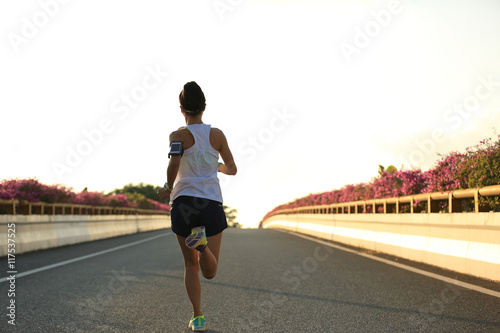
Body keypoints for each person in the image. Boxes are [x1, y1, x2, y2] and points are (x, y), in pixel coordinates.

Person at [157, 81, 237, 332]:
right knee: (210, 271)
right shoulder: (218, 135)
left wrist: (168, 187)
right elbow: (232, 169)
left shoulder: (177, 136)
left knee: (189, 265)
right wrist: (216, 167)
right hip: (210, 202)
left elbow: (174, 164)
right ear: (204, 107)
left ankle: (198, 316)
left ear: (181, 109)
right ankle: (202, 247)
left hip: (183, 203)